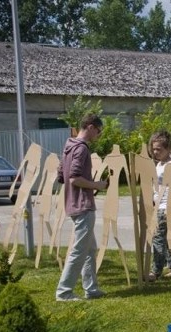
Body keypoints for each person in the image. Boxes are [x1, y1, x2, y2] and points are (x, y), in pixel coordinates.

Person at [55, 114, 108, 301]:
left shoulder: (69, 145)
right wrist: (98, 185)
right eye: (99, 131)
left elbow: (61, 176)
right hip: (82, 205)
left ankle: (91, 289)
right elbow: (74, 178)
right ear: (91, 127)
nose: (98, 135)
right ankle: (64, 291)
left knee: (89, 249)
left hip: (72, 202)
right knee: (79, 250)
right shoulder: (82, 149)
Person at [149, 130, 171, 280]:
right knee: (167, 239)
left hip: (167, 206)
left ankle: (155, 271)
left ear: (168, 148)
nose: (155, 152)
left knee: (158, 238)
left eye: (159, 149)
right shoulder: (160, 163)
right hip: (159, 205)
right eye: (153, 149)